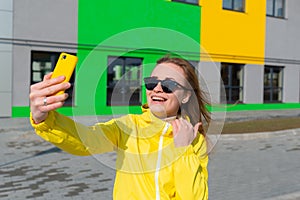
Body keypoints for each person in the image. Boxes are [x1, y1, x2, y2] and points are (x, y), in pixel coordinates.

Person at [29, 55, 211, 199]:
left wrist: (183, 150)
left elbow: (195, 196)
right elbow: (86, 140)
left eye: (169, 85)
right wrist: (45, 119)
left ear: (186, 96)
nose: (157, 88)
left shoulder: (194, 139)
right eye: (151, 82)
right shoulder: (129, 126)